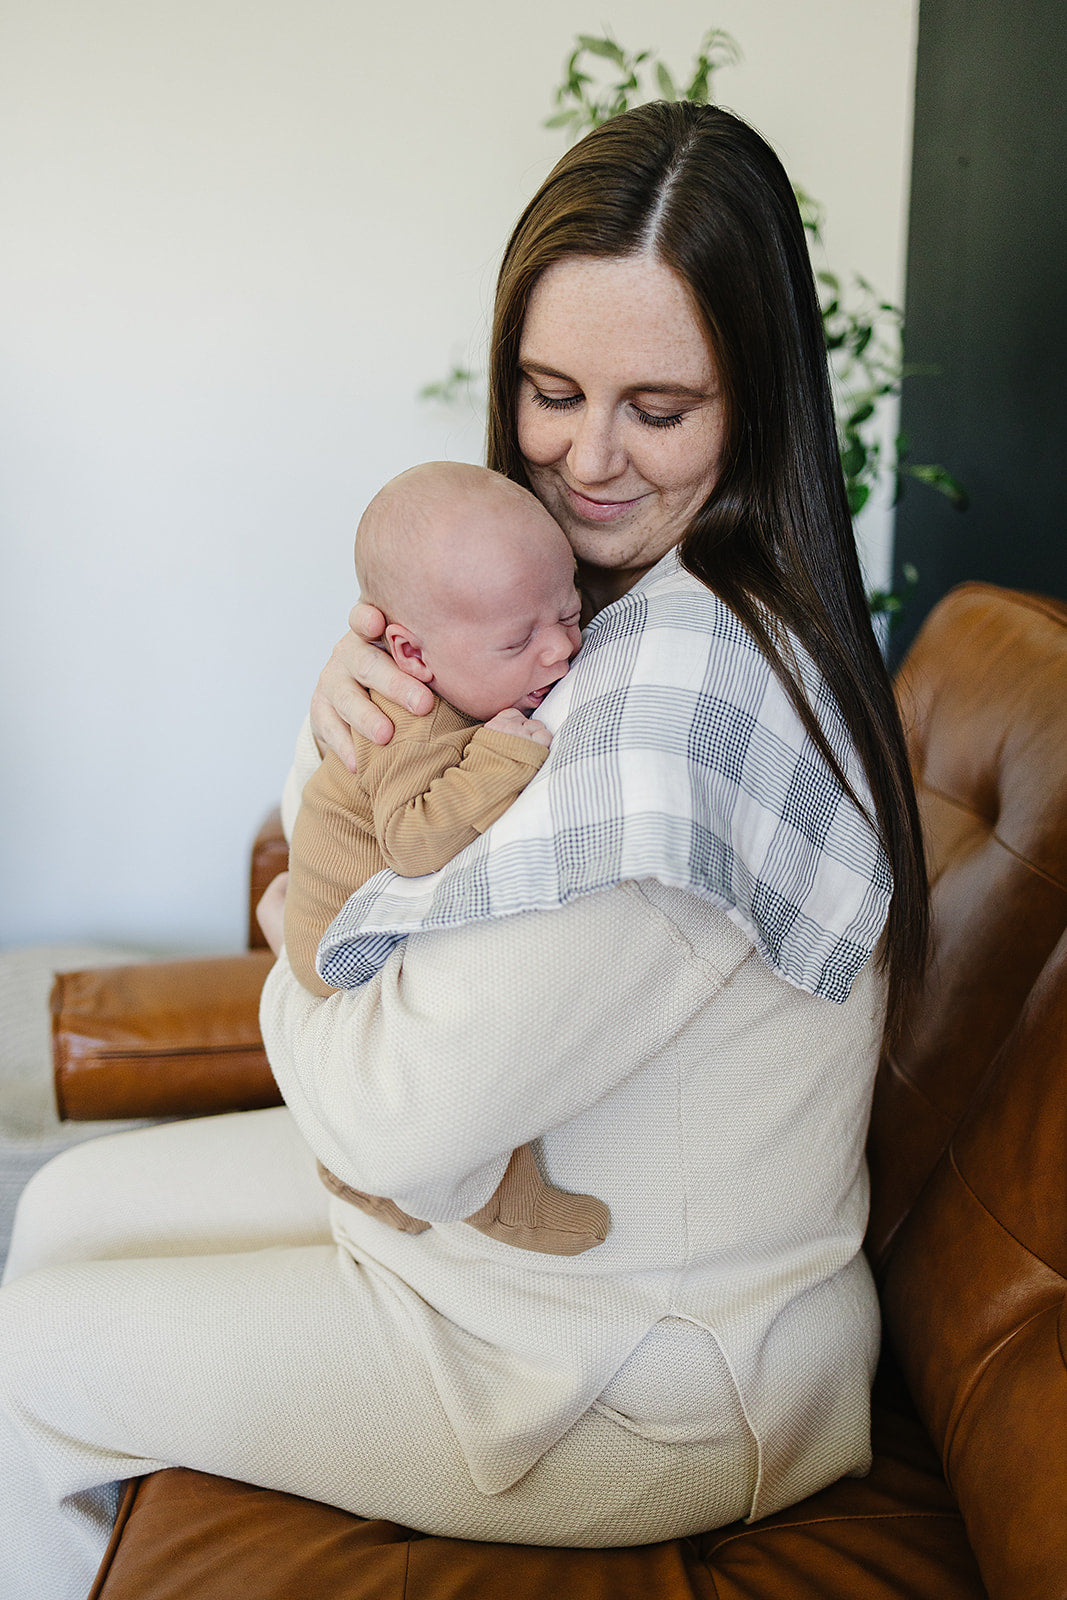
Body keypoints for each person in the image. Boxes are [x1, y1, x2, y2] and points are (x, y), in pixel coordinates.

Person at [0, 101, 927, 1597]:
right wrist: (341, 713)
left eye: (657, 408)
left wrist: (295, 980)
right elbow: (353, 869)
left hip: (636, 1369)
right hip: (507, 1254)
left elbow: (387, 1116)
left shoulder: (674, 722)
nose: (584, 459)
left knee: (30, 1357)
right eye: (547, 390)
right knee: (57, 1207)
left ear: (754, 401)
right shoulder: (586, 600)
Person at [286, 458, 610, 1255]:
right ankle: (490, 1196)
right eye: (516, 640)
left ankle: (362, 1176)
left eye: (568, 613)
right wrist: (502, 759)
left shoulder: (470, 669)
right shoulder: (414, 720)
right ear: (413, 654)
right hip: (338, 942)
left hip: (357, 910)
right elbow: (415, 838)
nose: (558, 652)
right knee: (460, 1070)